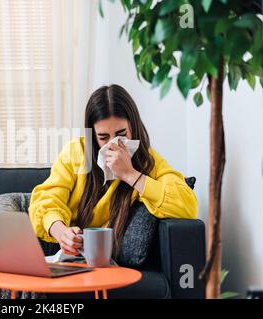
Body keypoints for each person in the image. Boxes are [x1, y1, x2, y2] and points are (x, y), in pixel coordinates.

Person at [29, 84, 198, 257]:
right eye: (103, 137)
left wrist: (130, 174)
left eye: (121, 134)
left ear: (133, 126)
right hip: (49, 237)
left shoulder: (148, 161)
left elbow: (187, 205)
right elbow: (48, 198)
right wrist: (60, 231)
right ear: (93, 136)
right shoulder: (77, 151)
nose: (113, 144)